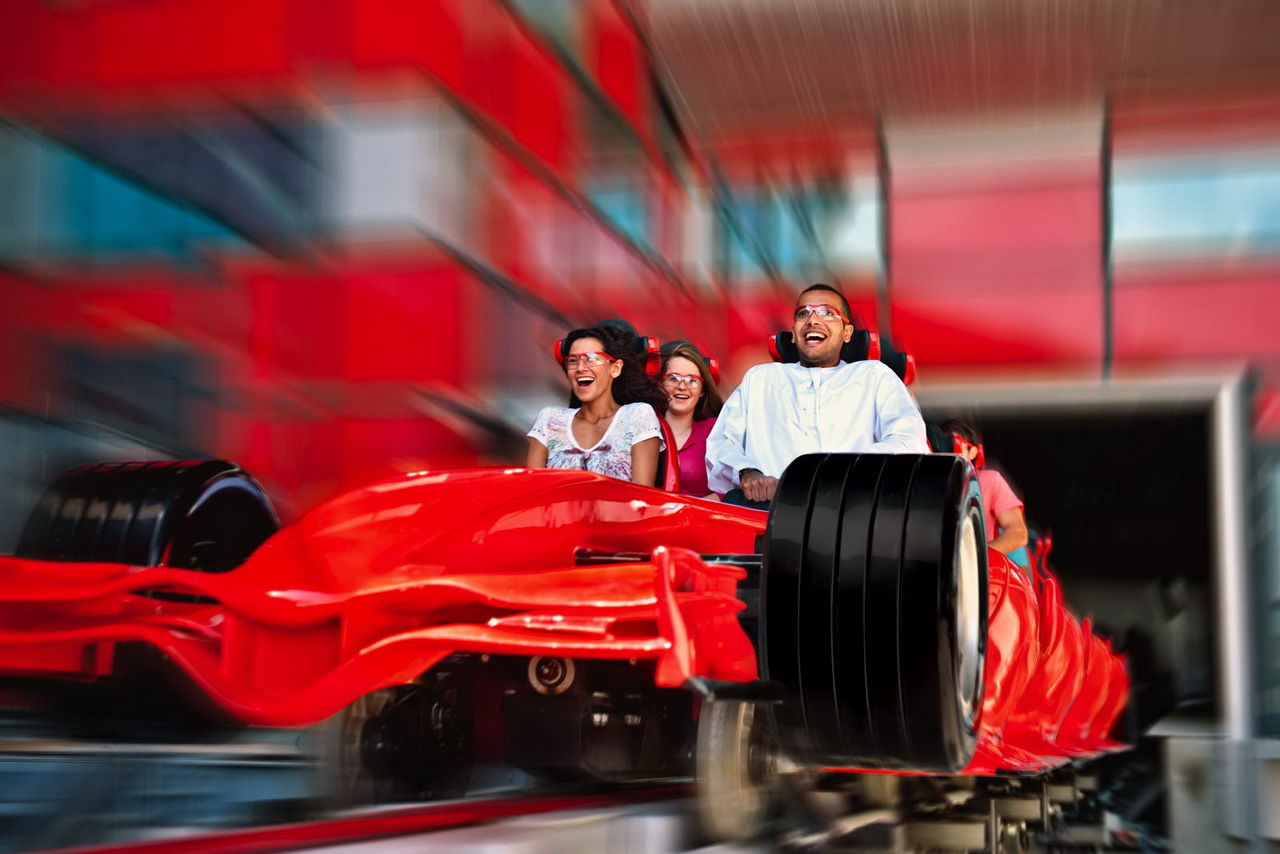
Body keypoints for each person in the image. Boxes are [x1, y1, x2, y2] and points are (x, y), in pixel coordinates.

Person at [705, 284, 929, 507]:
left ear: (847, 333)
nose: (813, 320)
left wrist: (840, 472)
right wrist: (747, 472)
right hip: (769, 513)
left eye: (827, 313)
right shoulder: (760, 378)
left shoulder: (874, 376)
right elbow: (722, 443)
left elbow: (909, 442)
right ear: (793, 333)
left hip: (849, 511)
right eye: (803, 313)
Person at [527, 324, 667, 485]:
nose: (580, 368)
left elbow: (642, 499)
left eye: (591, 358)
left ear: (615, 368)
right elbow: (531, 490)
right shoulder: (549, 419)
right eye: (573, 360)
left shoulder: (638, 416)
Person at [940, 418, 1029, 557]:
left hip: (979, 573)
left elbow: (1018, 532)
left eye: (952, 444)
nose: (946, 452)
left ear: (973, 452)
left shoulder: (990, 480)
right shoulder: (926, 483)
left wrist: (976, 559)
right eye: (940, 445)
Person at [659, 341, 723, 499]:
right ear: (660, 384)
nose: (682, 386)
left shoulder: (715, 430)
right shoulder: (642, 427)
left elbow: (729, 488)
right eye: (673, 378)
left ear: (702, 390)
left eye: (692, 380)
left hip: (699, 519)